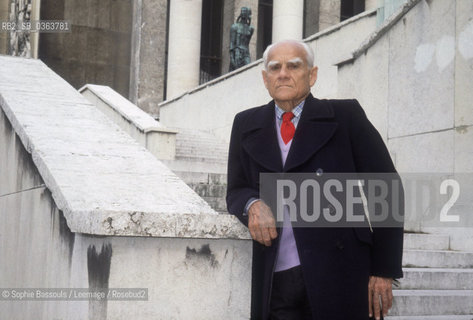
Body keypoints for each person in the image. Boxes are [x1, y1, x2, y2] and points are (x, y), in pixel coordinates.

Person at [226, 40, 404, 320]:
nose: (283, 73)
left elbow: (386, 189)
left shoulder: (345, 116)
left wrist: (383, 269)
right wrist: (252, 204)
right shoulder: (245, 124)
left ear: (312, 75)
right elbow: (236, 189)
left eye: (293, 66)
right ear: (265, 78)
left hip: (341, 271)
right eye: (275, 68)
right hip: (274, 277)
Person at [229, 7, 254, 71]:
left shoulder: (251, 29)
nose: (243, 13)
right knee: (237, 70)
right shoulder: (235, 27)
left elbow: (247, 42)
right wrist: (232, 58)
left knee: (248, 69)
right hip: (238, 51)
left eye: (245, 12)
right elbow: (232, 43)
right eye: (242, 11)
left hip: (246, 53)